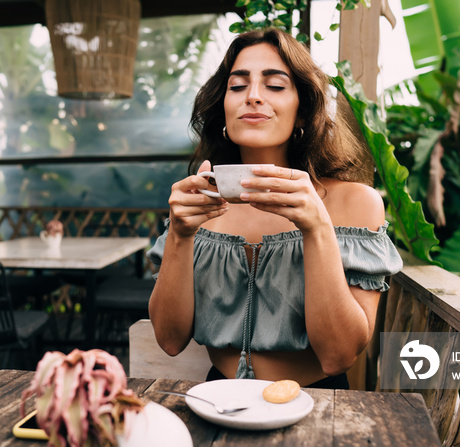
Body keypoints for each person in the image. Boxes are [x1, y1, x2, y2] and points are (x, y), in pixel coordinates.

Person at [147, 28, 402, 389]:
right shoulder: (200, 201)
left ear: (302, 112)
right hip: (218, 402)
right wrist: (179, 233)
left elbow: (338, 356)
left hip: (319, 406)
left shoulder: (356, 203)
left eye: (275, 86)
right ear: (223, 111)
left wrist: (316, 227)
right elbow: (170, 340)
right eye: (237, 87)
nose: (252, 96)